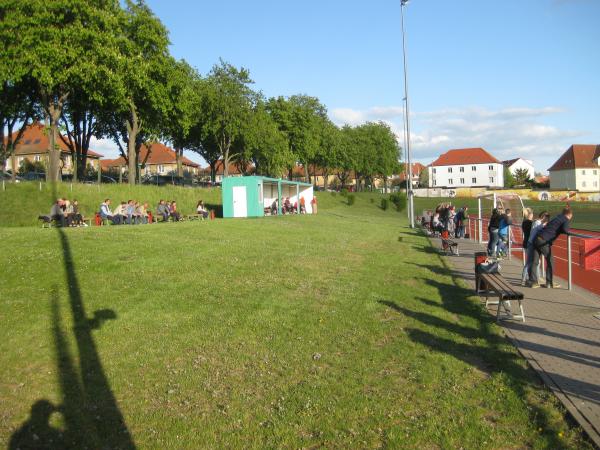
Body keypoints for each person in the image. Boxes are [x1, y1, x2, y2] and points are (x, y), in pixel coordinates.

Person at [532, 207, 573, 289]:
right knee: (550, 261)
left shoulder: (557, 217)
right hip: (544, 241)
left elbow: (555, 227)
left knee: (535, 261)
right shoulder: (565, 219)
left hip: (537, 238)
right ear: (570, 215)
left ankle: (534, 282)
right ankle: (549, 283)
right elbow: (565, 230)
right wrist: (568, 231)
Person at [525, 211, 549, 287]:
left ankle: (531, 278)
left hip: (531, 242)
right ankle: (529, 279)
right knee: (531, 262)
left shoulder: (537, 222)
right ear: (543, 217)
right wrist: (545, 224)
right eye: (547, 218)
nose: (547, 220)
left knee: (532, 262)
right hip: (531, 243)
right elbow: (540, 228)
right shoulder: (538, 223)